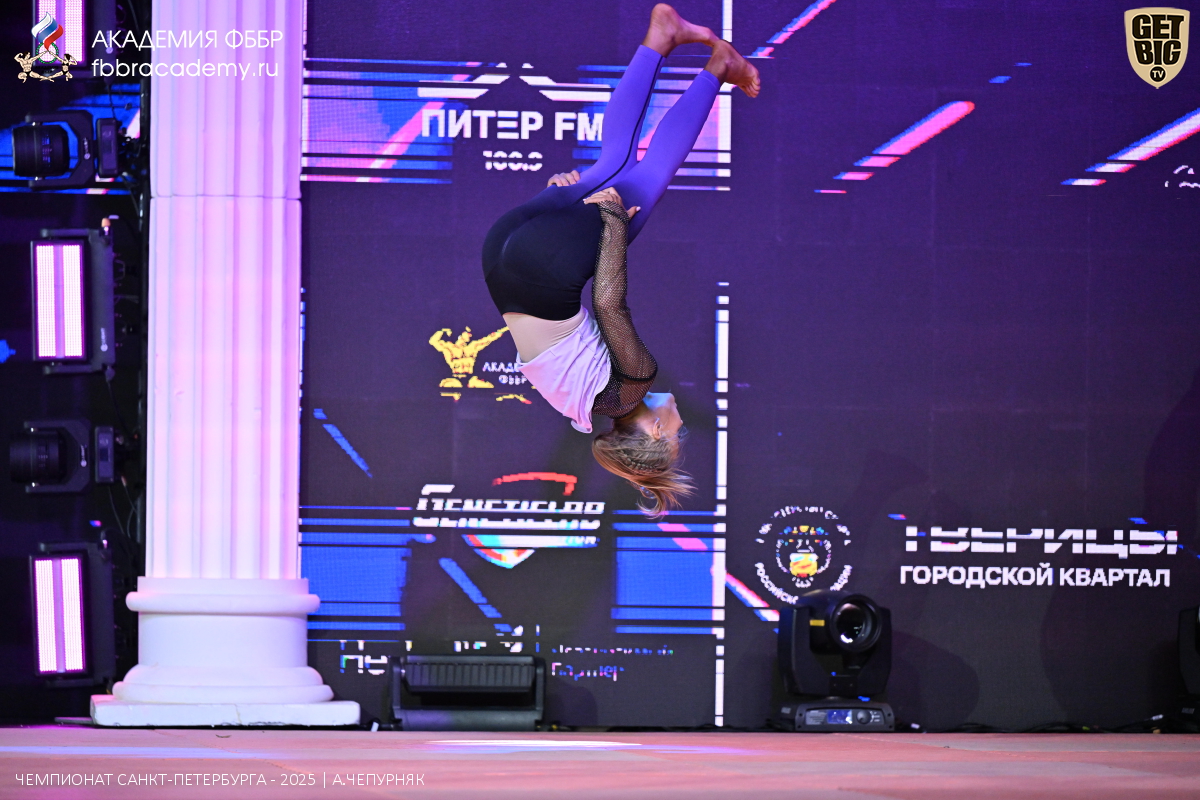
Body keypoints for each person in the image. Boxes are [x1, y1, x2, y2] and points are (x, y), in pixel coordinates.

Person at [482, 4, 760, 515]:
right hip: (503, 253)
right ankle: (664, 38)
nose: (681, 427)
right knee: (612, 161)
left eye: (676, 437)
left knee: (648, 173)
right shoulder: (583, 409)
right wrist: (554, 214)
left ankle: (717, 67)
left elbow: (610, 305)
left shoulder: (632, 387)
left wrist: (612, 223)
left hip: (544, 270)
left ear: (653, 430)